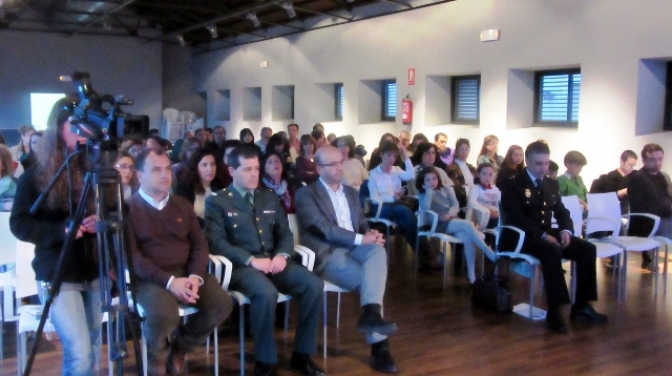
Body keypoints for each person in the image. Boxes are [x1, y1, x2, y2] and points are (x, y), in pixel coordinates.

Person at [205, 146, 324, 376]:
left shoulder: (268, 197)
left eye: (257, 169)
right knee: (266, 292)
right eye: (247, 169)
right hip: (241, 267)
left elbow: (285, 233)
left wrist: (282, 254)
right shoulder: (218, 201)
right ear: (231, 171)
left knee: (313, 285)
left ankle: (302, 354)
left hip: (273, 261)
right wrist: (250, 260)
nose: (254, 174)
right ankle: (265, 361)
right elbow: (217, 242)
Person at [10, 97, 101, 375]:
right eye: (74, 126)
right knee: (79, 351)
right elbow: (20, 223)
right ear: (59, 128)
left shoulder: (96, 170)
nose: (81, 132)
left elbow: (115, 211)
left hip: (94, 268)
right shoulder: (36, 175)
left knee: (93, 348)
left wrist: (102, 221)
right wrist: (61, 232)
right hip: (58, 271)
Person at [126, 148, 232, 376]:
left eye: (167, 169)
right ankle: (157, 354)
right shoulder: (128, 209)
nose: (165, 175)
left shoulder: (182, 205)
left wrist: (194, 276)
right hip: (150, 278)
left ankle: (180, 348)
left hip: (186, 272)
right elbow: (132, 257)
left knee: (221, 304)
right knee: (165, 315)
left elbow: (199, 244)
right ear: (140, 175)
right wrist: (170, 282)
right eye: (156, 170)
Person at [295, 145, 399, 374]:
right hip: (327, 252)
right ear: (319, 168)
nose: (339, 167)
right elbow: (324, 230)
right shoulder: (306, 194)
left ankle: (371, 317)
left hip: (355, 247)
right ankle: (379, 346)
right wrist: (363, 238)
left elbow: (361, 223)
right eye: (333, 164)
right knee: (371, 283)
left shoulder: (351, 193)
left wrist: (372, 234)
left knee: (379, 250)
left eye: (340, 162)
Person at [500, 141, 607, 333]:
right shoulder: (513, 183)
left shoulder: (550, 183)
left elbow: (561, 211)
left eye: (546, 163)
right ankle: (555, 311)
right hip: (521, 236)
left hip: (545, 232)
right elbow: (515, 217)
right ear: (528, 161)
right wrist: (541, 235)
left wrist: (566, 230)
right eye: (538, 164)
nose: (543, 168)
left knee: (587, 249)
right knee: (551, 249)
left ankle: (582, 306)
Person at [417, 166, 495, 283]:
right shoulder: (423, 194)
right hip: (438, 223)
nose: (432, 182)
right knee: (467, 225)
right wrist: (428, 191)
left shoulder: (446, 189)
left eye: (434, 178)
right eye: (428, 180)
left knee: (467, 237)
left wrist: (449, 214)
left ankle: (472, 276)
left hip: (452, 219)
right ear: (423, 181)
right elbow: (425, 208)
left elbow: (455, 205)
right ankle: (487, 250)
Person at [627, 144, 672, 268]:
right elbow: (639, 206)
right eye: (653, 159)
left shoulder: (662, 177)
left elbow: (669, 198)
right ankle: (649, 254)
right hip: (646, 221)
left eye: (660, 159)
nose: (657, 163)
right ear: (644, 160)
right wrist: (666, 208)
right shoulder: (637, 178)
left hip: (664, 217)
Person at [367, 142, 418, 252]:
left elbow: (411, 175)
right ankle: (424, 251)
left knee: (403, 220)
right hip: (380, 208)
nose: (392, 159)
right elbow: (374, 199)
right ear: (381, 155)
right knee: (404, 211)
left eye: (395, 155)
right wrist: (392, 198)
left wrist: (405, 155)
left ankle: (422, 252)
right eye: (389, 155)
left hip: (395, 205)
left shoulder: (396, 170)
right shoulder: (374, 174)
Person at [174, 148, 226, 225]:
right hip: (195, 230)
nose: (210, 169)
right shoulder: (185, 187)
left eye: (212, 164)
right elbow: (184, 216)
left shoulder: (219, 184)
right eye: (204, 165)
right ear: (196, 167)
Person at [590, 150, 638, 215]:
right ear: (622, 162)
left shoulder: (634, 175)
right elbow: (608, 197)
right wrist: (625, 191)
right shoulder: (611, 176)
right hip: (617, 208)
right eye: (630, 165)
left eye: (633, 165)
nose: (631, 168)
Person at [260, 150, 299, 214]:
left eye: (277, 161)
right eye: (270, 162)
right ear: (264, 167)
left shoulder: (291, 186)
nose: (274, 163)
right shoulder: (260, 189)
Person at [468, 163, 500, 229]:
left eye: (490, 174)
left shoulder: (496, 189)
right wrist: (488, 211)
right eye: (484, 174)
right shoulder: (475, 188)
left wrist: (498, 213)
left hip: (497, 216)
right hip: (482, 217)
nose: (487, 177)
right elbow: (471, 202)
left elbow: (501, 205)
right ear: (478, 175)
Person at [447, 138, 477, 208]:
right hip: (461, 201)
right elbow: (455, 188)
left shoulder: (471, 167)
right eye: (461, 149)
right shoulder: (451, 168)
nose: (464, 152)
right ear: (456, 151)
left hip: (472, 198)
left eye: (466, 149)